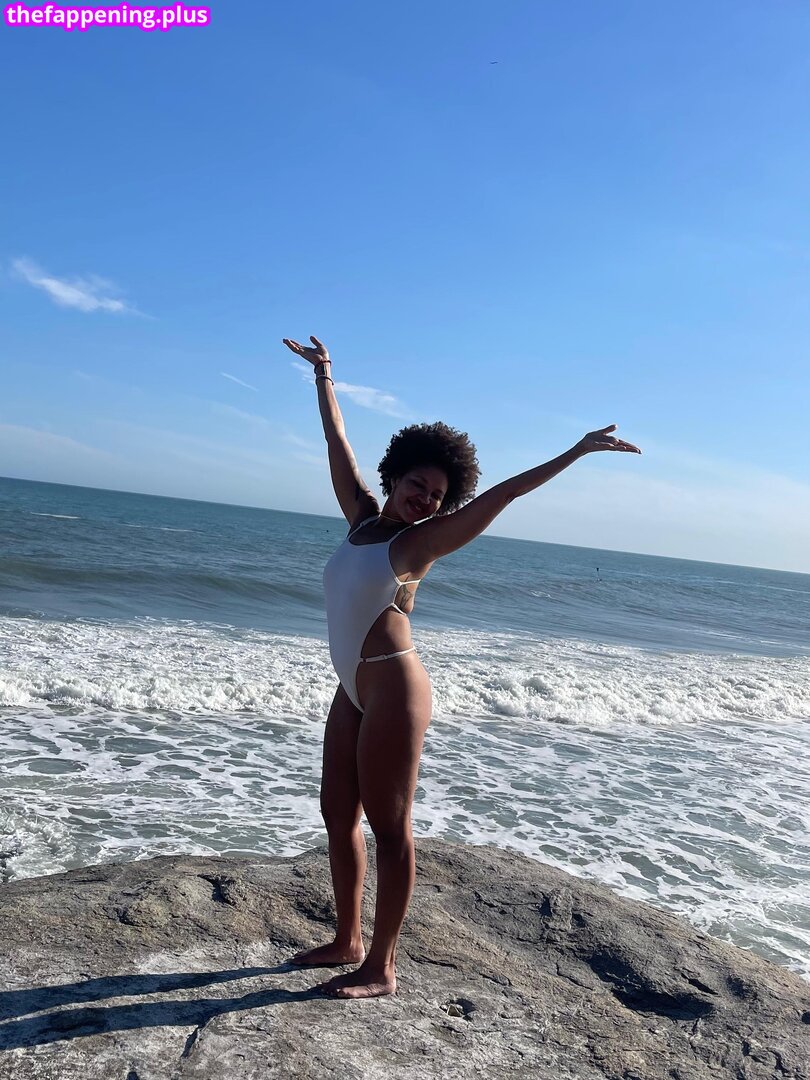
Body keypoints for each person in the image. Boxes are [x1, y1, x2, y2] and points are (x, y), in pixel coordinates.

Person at [282, 334, 641, 999]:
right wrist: (325, 375)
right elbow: (338, 444)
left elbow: (499, 498)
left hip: (394, 690)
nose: (425, 498)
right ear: (396, 477)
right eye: (418, 484)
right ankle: (347, 939)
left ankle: (381, 966)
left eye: (437, 494)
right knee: (336, 813)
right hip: (350, 688)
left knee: (390, 828)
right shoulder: (360, 520)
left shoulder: (419, 544)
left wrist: (576, 451)